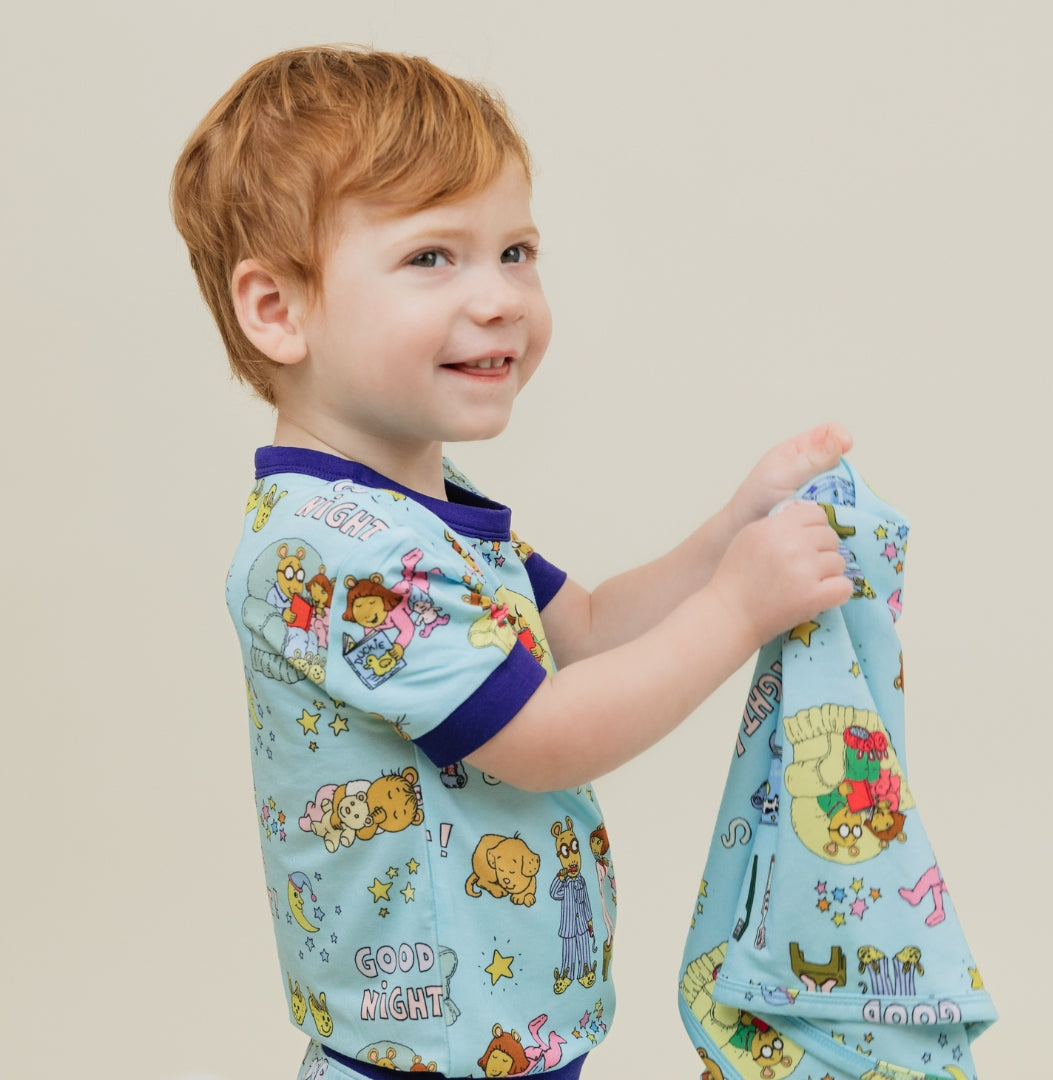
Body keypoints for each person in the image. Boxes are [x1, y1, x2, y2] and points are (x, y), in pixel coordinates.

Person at [171, 45, 853, 1080]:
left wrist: (731, 530)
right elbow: (544, 738)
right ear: (280, 310)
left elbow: (581, 629)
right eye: (432, 258)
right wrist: (736, 608)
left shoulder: (420, 519)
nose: (500, 299)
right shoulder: (335, 556)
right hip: (428, 1053)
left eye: (517, 251)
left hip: (501, 1032)